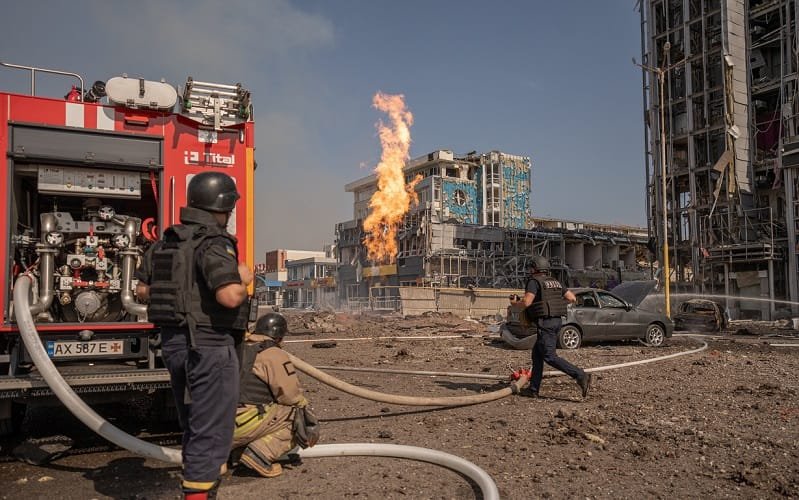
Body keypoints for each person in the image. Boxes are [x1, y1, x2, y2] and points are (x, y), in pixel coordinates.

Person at [135, 171, 253, 500]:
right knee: (212, 428)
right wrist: (242, 278)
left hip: (175, 345)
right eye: (229, 209)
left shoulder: (165, 243)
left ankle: (204, 481)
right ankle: (199, 492)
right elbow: (229, 296)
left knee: (195, 424)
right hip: (210, 346)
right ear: (222, 207)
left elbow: (142, 289)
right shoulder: (213, 243)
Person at [231, 312, 313, 478]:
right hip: (240, 424)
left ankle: (238, 452)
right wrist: (304, 406)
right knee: (297, 417)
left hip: (214, 425)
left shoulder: (237, 347)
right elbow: (290, 396)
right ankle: (259, 455)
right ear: (280, 337)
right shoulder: (273, 353)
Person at [521, 255, 592, 399]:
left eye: (531, 267)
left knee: (550, 356)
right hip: (556, 322)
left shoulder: (534, 282)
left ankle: (580, 375)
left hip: (545, 324)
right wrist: (554, 306)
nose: (530, 270)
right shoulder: (555, 282)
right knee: (537, 355)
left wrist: (515, 302)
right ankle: (533, 389)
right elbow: (572, 298)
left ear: (535, 268)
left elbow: (527, 303)